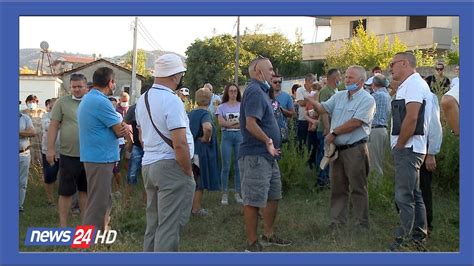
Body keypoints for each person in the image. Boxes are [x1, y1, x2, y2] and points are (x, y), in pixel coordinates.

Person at [135, 53, 195, 252]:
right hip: (171, 165)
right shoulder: (172, 100)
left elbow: (142, 137)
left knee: (153, 224)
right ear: (175, 76)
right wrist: (187, 170)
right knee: (168, 228)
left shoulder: (142, 99)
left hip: (149, 164)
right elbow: (179, 143)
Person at [306, 65, 375, 230]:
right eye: (346, 77)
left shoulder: (367, 99)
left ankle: (361, 224)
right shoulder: (340, 96)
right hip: (337, 150)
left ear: (361, 81)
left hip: (355, 149)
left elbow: (356, 122)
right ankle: (337, 222)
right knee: (338, 188)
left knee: (358, 188)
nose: (346, 80)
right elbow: (323, 108)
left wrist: (334, 133)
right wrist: (312, 101)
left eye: (350, 78)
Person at [239, 56, 291, 252]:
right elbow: (250, 123)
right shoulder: (254, 91)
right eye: (269, 69)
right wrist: (268, 141)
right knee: (253, 199)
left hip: (268, 156)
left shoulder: (263, 92)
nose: (273, 73)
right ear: (257, 72)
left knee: (273, 195)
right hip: (256, 154)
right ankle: (252, 244)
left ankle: (268, 235)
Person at [388, 51, 433, 251]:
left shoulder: (414, 84)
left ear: (404, 63)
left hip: (408, 148)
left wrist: (400, 144)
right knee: (414, 194)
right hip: (411, 147)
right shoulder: (410, 84)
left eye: (393, 64)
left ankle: (404, 239)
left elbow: (412, 117)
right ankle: (418, 236)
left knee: (404, 195)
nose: (390, 67)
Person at [77, 67, 129, 230]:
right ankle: (86, 244)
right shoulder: (101, 102)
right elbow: (119, 130)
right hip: (99, 158)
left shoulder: (89, 98)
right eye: (114, 82)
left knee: (104, 199)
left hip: (96, 156)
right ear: (110, 82)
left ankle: (102, 234)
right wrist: (126, 129)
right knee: (97, 203)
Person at [47, 73, 89, 227]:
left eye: (80, 86)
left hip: (89, 155)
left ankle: (84, 226)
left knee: (85, 191)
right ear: (70, 87)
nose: (76, 90)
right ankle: (63, 226)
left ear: (86, 87)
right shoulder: (62, 102)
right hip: (68, 154)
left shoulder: (92, 102)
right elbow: (53, 125)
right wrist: (50, 149)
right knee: (65, 191)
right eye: (73, 87)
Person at [189, 88, 221, 215]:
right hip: (201, 150)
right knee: (199, 179)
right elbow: (207, 128)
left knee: (191, 178)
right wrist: (205, 138)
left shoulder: (190, 113)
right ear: (209, 100)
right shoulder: (205, 113)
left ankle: (189, 206)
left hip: (191, 149)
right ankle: (196, 209)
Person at [420, 92, 443, 234]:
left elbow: (435, 126)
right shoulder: (402, 93)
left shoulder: (427, 96)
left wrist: (431, 153)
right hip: (408, 150)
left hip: (424, 149)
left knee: (423, 189)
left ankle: (427, 225)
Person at [216, 83, 243, 205]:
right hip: (226, 137)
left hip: (239, 137)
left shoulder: (242, 106)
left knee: (238, 166)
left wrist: (229, 123)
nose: (233, 93)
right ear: (227, 92)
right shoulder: (221, 107)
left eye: (235, 91)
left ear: (238, 93)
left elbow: (244, 123)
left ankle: (238, 192)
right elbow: (221, 123)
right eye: (231, 91)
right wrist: (235, 124)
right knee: (226, 165)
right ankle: (225, 193)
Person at [315, 68, 341, 189]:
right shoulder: (326, 91)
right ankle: (322, 180)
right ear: (333, 78)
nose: (340, 79)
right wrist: (327, 128)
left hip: (333, 128)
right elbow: (324, 111)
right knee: (324, 154)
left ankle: (327, 178)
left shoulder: (334, 91)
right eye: (339, 77)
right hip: (326, 129)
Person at [123, 87, 148, 200]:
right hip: (138, 146)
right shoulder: (134, 108)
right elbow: (123, 123)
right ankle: (127, 200)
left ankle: (145, 202)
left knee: (149, 176)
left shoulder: (156, 107)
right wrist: (128, 139)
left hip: (151, 147)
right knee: (132, 174)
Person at [368, 74, 391, 178]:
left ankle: (376, 188)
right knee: (381, 161)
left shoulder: (375, 96)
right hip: (383, 130)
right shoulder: (387, 95)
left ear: (374, 84)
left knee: (374, 164)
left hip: (375, 130)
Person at [41, 98, 60, 206]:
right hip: (49, 151)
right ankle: (50, 199)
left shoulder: (66, 116)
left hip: (65, 151)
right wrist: (59, 123)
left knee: (67, 176)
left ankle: (65, 199)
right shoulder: (46, 116)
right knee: (49, 176)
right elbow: (48, 127)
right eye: (54, 106)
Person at [22, 94, 47, 177]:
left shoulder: (42, 112)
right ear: (26, 103)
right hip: (27, 140)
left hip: (40, 140)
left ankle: (41, 175)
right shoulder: (23, 113)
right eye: (29, 102)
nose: (31, 103)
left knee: (40, 158)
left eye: (33, 101)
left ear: (36, 102)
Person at [19, 110, 36, 212]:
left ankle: (19, 206)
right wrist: (24, 133)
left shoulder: (25, 118)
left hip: (23, 153)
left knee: (22, 182)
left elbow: (32, 132)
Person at [108, 96, 126, 193]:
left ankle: (118, 189)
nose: (112, 106)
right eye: (110, 104)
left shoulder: (117, 115)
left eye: (114, 104)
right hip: (109, 144)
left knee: (115, 167)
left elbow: (118, 130)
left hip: (118, 143)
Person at [271, 74, 295, 143]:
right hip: (268, 131)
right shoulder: (265, 95)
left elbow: (292, 114)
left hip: (282, 130)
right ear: (270, 82)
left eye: (279, 82)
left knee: (282, 152)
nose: (278, 84)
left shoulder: (287, 96)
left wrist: (282, 110)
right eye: (275, 82)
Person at [295, 74, 316, 149]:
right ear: (306, 81)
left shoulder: (315, 90)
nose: (314, 83)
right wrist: (312, 100)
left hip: (313, 120)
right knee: (302, 140)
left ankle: (311, 159)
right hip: (303, 119)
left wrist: (306, 99)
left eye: (314, 80)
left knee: (312, 142)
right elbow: (301, 103)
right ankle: (301, 157)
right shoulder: (300, 90)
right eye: (312, 81)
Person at [305, 84, 321, 170]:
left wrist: (316, 123)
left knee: (317, 148)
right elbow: (306, 115)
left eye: (315, 91)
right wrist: (312, 121)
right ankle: (311, 164)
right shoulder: (309, 103)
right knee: (310, 147)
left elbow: (321, 116)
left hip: (318, 129)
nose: (313, 93)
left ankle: (317, 166)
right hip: (310, 129)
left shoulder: (320, 104)